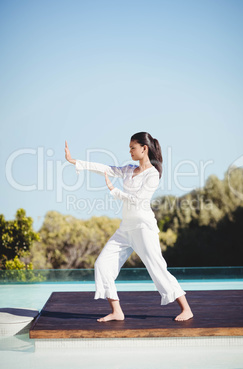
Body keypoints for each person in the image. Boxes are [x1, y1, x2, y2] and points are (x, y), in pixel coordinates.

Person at [65, 132, 193, 322]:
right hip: (126, 228)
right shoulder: (129, 169)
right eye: (129, 148)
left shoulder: (153, 175)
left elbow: (138, 200)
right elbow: (106, 169)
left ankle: (186, 309)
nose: (130, 151)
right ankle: (117, 311)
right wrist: (76, 162)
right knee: (102, 265)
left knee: (157, 268)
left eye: (133, 147)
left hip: (143, 228)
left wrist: (115, 192)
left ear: (144, 148)